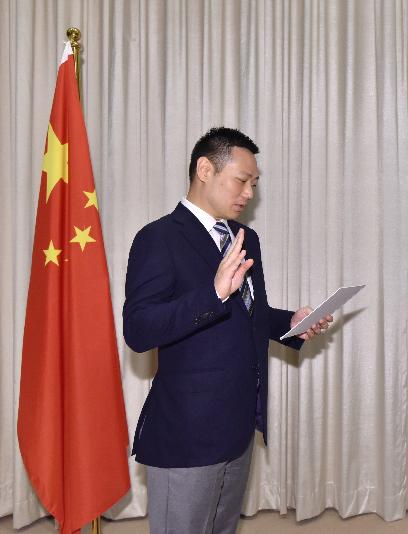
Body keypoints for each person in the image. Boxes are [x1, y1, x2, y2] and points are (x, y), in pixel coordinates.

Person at [123, 127, 333, 534]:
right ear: (205, 169)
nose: (249, 193)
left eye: (254, 183)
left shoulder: (244, 238)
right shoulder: (158, 238)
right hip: (187, 433)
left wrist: (289, 323)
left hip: (239, 426)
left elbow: (247, 314)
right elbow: (139, 329)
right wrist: (212, 293)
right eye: (242, 180)